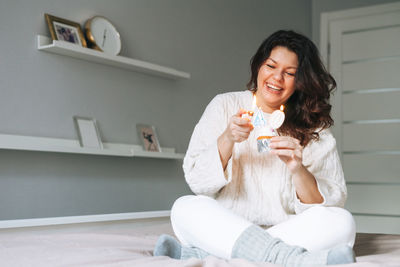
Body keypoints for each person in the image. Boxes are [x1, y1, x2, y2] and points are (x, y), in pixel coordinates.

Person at [153, 30, 356, 266]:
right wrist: (228, 138)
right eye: (271, 66)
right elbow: (198, 181)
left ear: (300, 82)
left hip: (288, 229)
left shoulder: (315, 127)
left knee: (342, 222)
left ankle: (203, 256)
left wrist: (297, 168)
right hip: (226, 225)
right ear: (259, 65)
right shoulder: (224, 105)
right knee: (185, 207)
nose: (277, 78)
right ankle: (290, 259)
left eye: (289, 73)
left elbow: (331, 201)